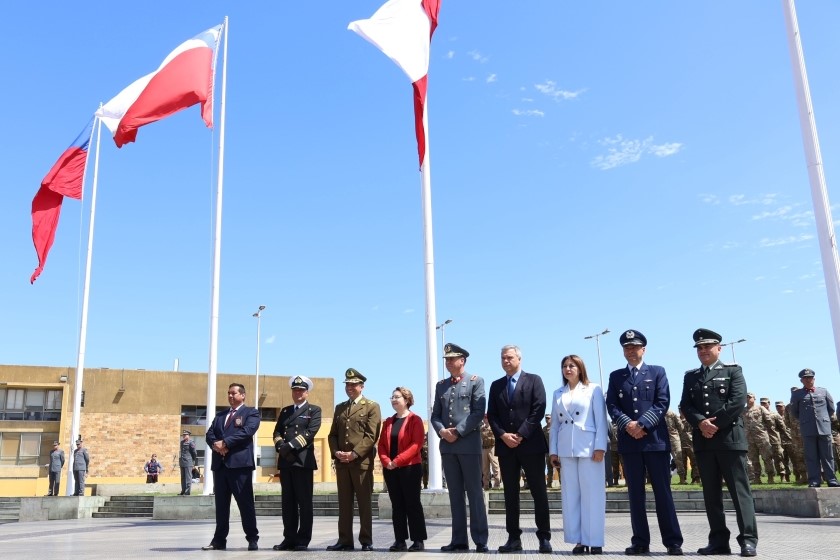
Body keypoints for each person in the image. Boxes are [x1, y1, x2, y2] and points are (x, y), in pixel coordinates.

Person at [680, 328, 757, 557]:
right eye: (699, 348)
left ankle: (748, 540)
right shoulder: (691, 376)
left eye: (707, 347)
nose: (703, 351)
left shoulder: (733, 371)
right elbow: (686, 405)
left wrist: (715, 424)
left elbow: (737, 402)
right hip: (704, 442)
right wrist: (701, 423)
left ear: (718, 348)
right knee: (711, 495)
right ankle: (718, 541)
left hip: (729, 440)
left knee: (739, 493)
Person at [606, 330, 683, 556]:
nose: (631, 351)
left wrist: (642, 425)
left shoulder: (657, 372)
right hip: (630, 445)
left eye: (635, 347)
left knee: (663, 494)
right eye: (627, 348)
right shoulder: (616, 376)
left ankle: (673, 541)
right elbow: (612, 406)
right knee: (635, 495)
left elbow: (662, 401)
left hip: (655, 443)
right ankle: (640, 541)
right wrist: (628, 425)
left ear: (644, 349)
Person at [487, 344, 552, 554]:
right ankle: (513, 538)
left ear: (519, 359)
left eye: (510, 357)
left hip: (531, 446)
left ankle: (544, 537)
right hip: (506, 448)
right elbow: (492, 415)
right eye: (503, 358)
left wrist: (521, 434)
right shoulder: (496, 386)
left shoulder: (534, 380)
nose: (506, 361)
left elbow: (539, 409)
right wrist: (503, 435)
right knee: (510, 494)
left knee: (538, 493)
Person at [430, 343, 489, 553]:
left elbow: (478, 412)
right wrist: (442, 431)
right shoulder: (441, 385)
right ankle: (459, 540)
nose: (447, 362)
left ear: (462, 360)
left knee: (474, 493)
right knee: (455, 495)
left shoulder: (476, 382)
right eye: (446, 359)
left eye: (451, 359)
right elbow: (435, 415)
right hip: (448, 447)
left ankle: (481, 540)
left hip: (468, 445)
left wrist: (458, 431)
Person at [548, 354, 608, 556]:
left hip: (589, 448)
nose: (568, 369)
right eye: (564, 366)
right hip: (566, 449)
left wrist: (600, 446)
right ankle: (579, 540)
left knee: (593, 495)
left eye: (572, 365)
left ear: (580, 368)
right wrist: (553, 451)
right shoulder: (558, 393)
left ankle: (595, 540)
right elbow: (554, 425)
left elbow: (600, 419)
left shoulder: (593, 389)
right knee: (571, 496)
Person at [326, 368, 382, 552]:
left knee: (364, 503)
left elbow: (371, 436)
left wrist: (354, 454)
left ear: (362, 386)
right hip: (342, 464)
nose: (349, 388)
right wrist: (337, 453)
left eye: (353, 385)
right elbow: (333, 435)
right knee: (344, 503)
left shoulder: (371, 406)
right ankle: (345, 540)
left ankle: (366, 540)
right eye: (347, 385)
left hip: (361, 463)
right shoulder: (340, 407)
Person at [202, 383, 261, 551]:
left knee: (245, 504)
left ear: (243, 395)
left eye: (234, 393)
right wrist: (216, 445)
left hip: (240, 466)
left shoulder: (251, 413)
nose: (230, 396)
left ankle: (252, 538)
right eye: (228, 393)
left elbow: (247, 432)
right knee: (221, 506)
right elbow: (209, 434)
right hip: (220, 467)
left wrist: (225, 442)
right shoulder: (221, 415)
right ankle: (219, 540)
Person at [272, 375, 322, 551]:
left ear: (307, 392)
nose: (298, 392)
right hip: (286, 462)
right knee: (288, 503)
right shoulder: (285, 411)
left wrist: (290, 447)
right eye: (295, 390)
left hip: (302, 461)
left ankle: (303, 539)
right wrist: (280, 446)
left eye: (301, 390)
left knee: (304, 502)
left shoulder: (314, 410)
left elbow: (311, 432)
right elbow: (277, 432)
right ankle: (289, 538)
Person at [378, 386, 428, 552]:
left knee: (412, 504)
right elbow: (382, 445)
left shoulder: (415, 420)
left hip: (410, 468)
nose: (393, 399)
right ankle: (400, 540)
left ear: (406, 400)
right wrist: (386, 461)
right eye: (392, 397)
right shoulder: (388, 422)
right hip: (391, 469)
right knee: (397, 505)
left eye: (397, 397)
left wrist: (397, 461)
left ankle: (418, 540)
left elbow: (416, 444)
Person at [789, 368, 839, 488]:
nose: (808, 380)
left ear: (814, 379)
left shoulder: (823, 392)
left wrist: (823, 419)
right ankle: (814, 480)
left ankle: (831, 479)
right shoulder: (797, 395)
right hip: (808, 429)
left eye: (810, 378)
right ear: (801, 380)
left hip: (824, 427)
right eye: (805, 378)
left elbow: (831, 409)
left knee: (828, 456)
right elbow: (795, 412)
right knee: (811, 456)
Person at [742, 392, 777, 484]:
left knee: (767, 457)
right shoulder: (743, 410)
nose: (748, 399)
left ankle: (770, 476)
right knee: (753, 459)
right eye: (746, 397)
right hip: (749, 438)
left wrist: (766, 430)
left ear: (754, 398)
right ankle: (757, 477)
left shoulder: (760, 408)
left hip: (761, 437)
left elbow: (769, 420)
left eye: (750, 397)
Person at [760, 397, 788, 482]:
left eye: (765, 403)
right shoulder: (759, 415)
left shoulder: (775, 414)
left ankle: (783, 476)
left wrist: (778, 435)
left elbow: (782, 427)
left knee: (779, 458)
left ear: (769, 403)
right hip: (764, 440)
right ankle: (770, 477)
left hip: (774, 439)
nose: (763, 405)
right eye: (762, 403)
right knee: (766, 458)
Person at [677, 406, 699, 484]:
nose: (681, 411)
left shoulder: (691, 419)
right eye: (680, 410)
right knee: (682, 463)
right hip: (680, 444)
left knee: (694, 461)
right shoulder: (677, 419)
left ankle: (696, 479)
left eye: (682, 410)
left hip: (691, 443)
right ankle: (683, 479)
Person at [481, 416, 501, 490]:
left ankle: (497, 484)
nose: (485, 419)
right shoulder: (482, 428)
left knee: (495, 466)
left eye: (486, 418)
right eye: (484, 418)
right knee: (485, 468)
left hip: (492, 448)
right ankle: (486, 485)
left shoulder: (493, 427)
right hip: (484, 448)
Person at [544, 414, 561, 488]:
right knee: (549, 468)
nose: (547, 420)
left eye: (549, 418)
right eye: (546, 418)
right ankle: (549, 484)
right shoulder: (543, 429)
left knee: (559, 468)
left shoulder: (556, 428)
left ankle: (562, 484)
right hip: (548, 452)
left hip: (557, 452)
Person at [179, 430, 198, 495]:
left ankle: (187, 491)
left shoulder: (191, 443)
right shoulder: (181, 442)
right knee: (183, 477)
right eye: (183, 435)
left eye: (185, 435)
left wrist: (193, 462)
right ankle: (183, 490)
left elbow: (194, 453)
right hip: (182, 461)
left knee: (188, 477)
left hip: (188, 461)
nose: (184, 436)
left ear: (188, 436)